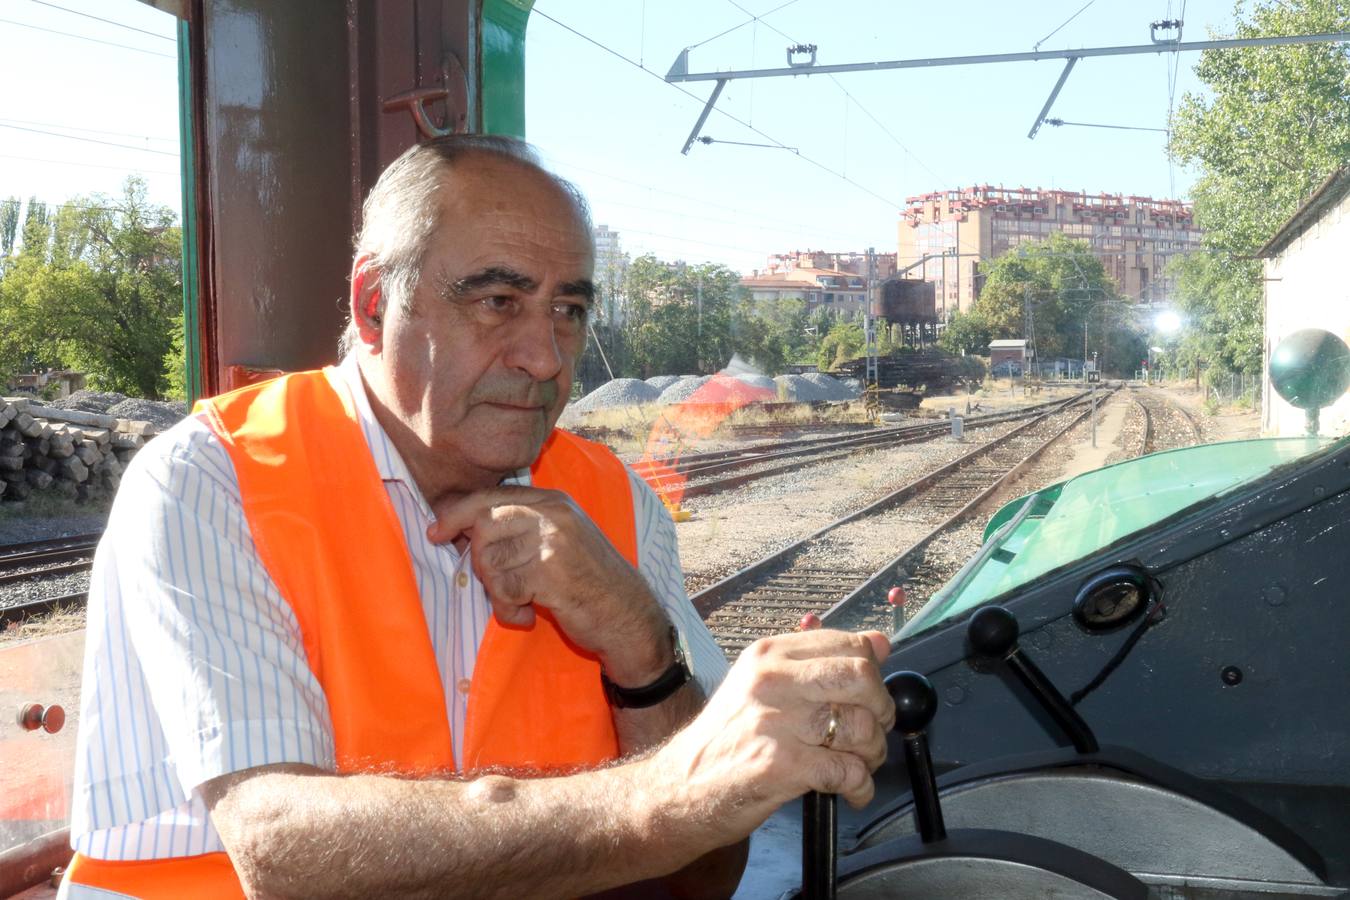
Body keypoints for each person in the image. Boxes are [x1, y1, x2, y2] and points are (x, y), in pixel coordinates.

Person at [61, 135, 894, 899]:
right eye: (498, 299)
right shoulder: (214, 478)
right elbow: (284, 852)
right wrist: (664, 796)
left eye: (568, 309)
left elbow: (704, 876)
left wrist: (641, 648)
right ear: (371, 305)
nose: (545, 357)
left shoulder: (616, 504)